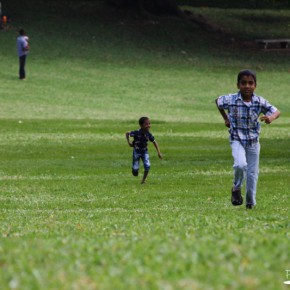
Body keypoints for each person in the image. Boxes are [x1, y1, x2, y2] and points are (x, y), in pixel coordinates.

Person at [215, 69, 280, 209]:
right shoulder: (231, 99)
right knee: (240, 165)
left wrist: (271, 118)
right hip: (237, 139)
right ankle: (236, 188)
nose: (247, 86)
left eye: (251, 83)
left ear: (255, 85)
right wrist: (226, 119)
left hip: (253, 142)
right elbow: (218, 102)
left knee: (252, 173)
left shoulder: (258, 101)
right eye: (243, 83)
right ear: (238, 85)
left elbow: (276, 111)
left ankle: (250, 203)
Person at [126, 117, 163, 184]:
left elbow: (154, 142)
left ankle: (143, 180)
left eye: (149, 123)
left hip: (144, 152)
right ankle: (134, 170)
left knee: (147, 166)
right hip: (136, 152)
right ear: (141, 125)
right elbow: (127, 133)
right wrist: (129, 142)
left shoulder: (149, 134)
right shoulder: (136, 133)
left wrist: (159, 152)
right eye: (146, 124)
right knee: (135, 171)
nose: (148, 125)